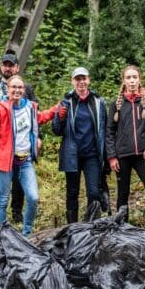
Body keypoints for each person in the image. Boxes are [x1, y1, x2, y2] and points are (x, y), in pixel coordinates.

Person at [0, 75, 55, 236]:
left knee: (33, 198)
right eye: (14, 87)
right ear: (8, 90)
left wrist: (57, 109)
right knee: (2, 200)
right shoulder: (1, 108)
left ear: (24, 90)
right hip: (4, 161)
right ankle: (3, 236)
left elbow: (42, 117)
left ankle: (27, 234)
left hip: (25, 161)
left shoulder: (30, 107)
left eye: (20, 87)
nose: (17, 90)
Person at [0, 53, 37, 223]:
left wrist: (37, 137)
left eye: (11, 65)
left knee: (20, 178)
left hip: (21, 142)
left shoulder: (25, 87)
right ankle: (0, 214)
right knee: (0, 183)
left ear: (17, 67)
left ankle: (17, 211)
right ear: (1, 66)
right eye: (5, 64)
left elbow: (34, 114)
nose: (8, 68)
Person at [106, 65, 145, 230]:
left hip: (142, 155)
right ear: (123, 81)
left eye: (135, 77)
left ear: (140, 80)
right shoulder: (116, 104)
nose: (132, 81)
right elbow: (109, 132)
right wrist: (111, 157)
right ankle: (122, 230)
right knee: (122, 195)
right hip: (122, 156)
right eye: (128, 78)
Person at [52, 67, 108, 224]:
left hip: (92, 155)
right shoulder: (66, 102)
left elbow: (105, 130)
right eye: (78, 79)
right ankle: (73, 228)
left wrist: (107, 156)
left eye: (84, 79)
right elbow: (56, 130)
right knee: (72, 192)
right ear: (73, 82)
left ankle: (92, 228)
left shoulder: (98, 102)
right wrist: (60, 118)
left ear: (89, 80)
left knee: (94, 192)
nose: (81, 82)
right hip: (72, 155)